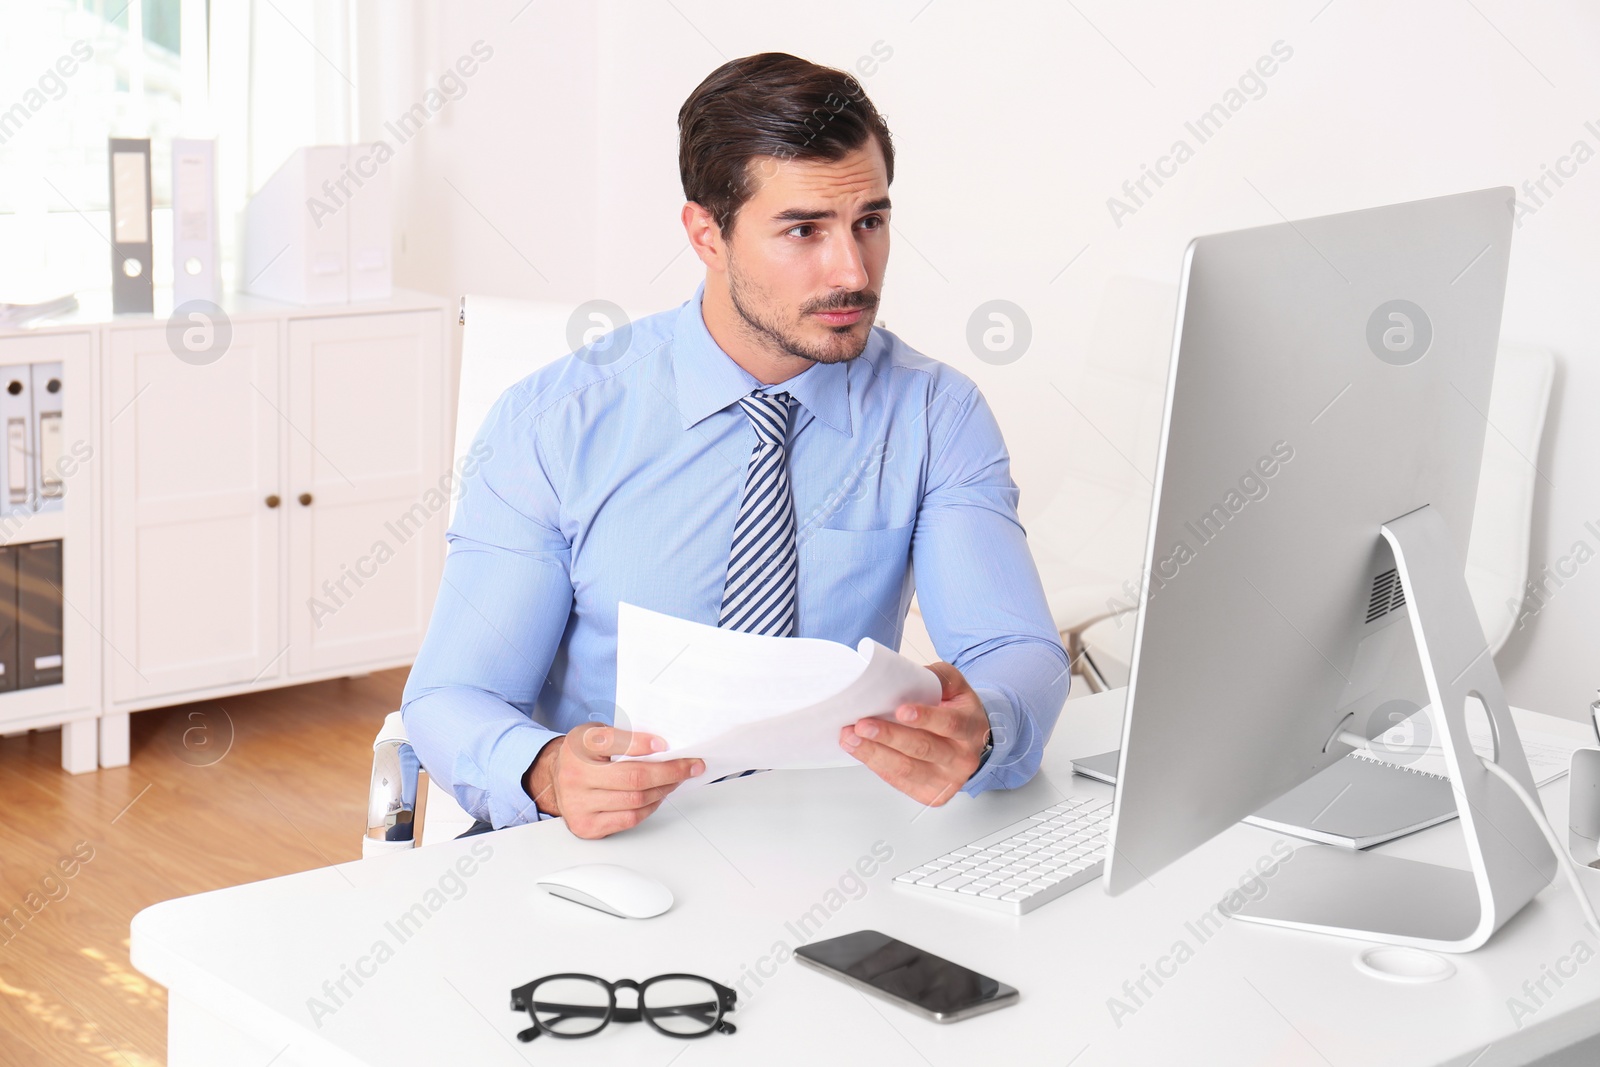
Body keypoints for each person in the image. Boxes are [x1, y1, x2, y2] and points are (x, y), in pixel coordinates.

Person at [401, 52, 1069, 840]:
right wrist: (544, 770)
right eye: (803, 230)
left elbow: (1013, 647)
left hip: (833, 838)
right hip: (608, 848)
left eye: (870, 222)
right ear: (706, 234)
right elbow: (454, 693)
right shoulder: (553, 423)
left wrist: (985, 723)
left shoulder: (934, 413)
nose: (852, 270)